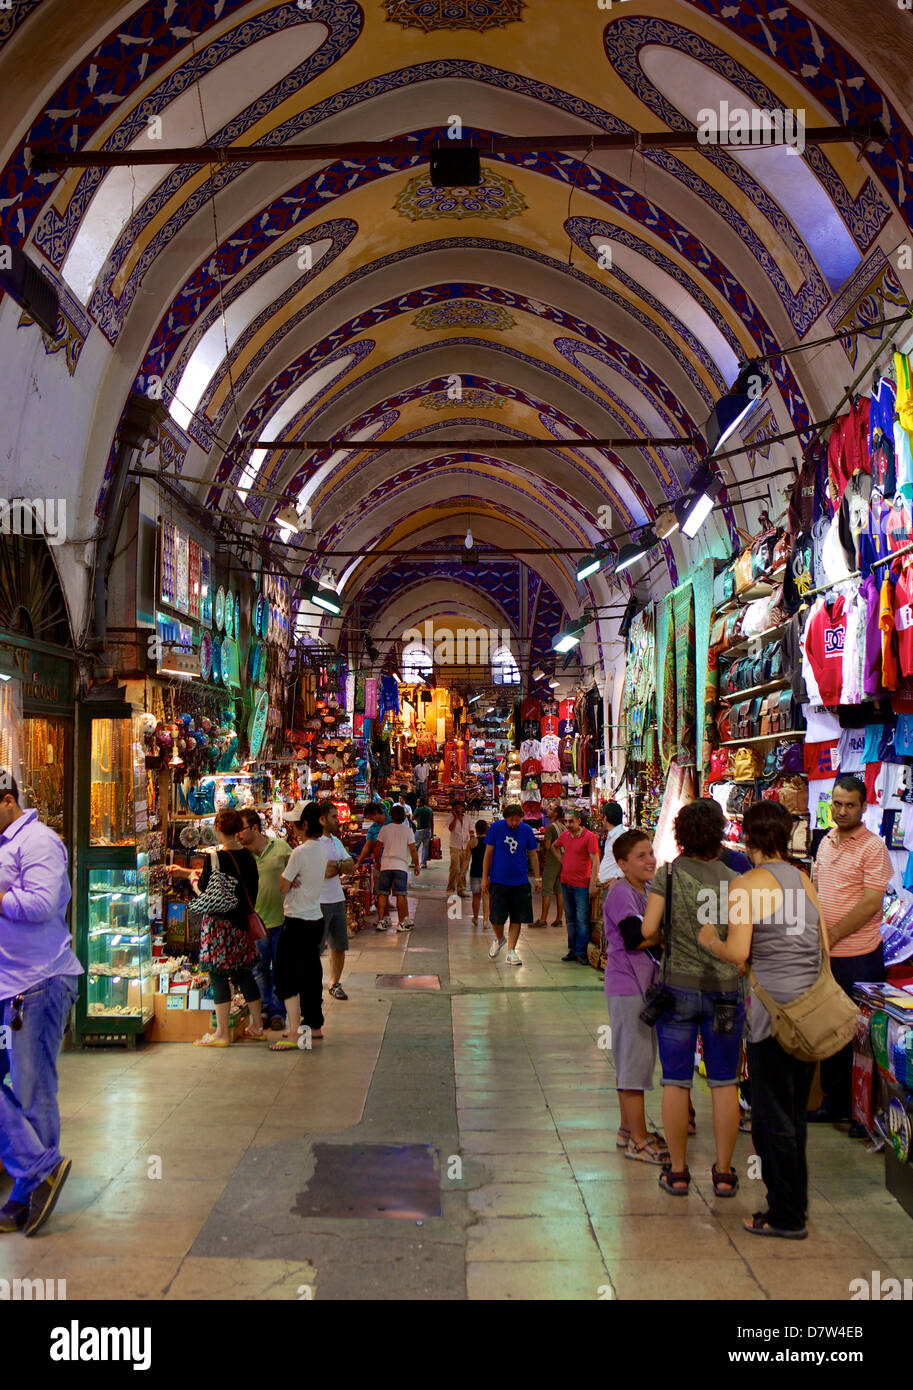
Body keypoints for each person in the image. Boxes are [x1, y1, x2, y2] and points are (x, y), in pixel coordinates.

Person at [699, 800, 825, 1239]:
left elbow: (737, 954)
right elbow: (823, 941)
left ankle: (785, 1215)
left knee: (772, 1120)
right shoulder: (804, 881)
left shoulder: (745, 886)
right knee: (795, 1113)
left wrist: (711, 940)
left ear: (748, 837)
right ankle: (796, 1205)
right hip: (809, 1011)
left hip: (772, 1014)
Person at [640, 798, 744, 1197]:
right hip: (723, 992)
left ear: (680, 835)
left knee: (676, 1080)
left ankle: (679, 1172)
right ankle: (723, 1173)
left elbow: (649, 929)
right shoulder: (735, 881)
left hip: (678, 991)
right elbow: (741, 942)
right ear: (719, 832)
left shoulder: (667, 875)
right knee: (723, 1082)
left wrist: (669, 934)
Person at [0, 773, 81, 1237]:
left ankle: (25, 1192)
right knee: (29, 1088)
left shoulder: (38, 842)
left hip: (40, 982)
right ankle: (39, 1167)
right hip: (11, 986)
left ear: (8, 800)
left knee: (34, 1090)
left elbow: (42, 904)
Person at [809, 774, 891, 1129]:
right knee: (831, 1031)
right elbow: (816, 890)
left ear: (863, 806)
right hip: (828, 955)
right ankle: (834, 1102)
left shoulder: (873, 847)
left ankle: (863, 1113)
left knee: (860, 1036)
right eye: (837, 803)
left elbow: (872, 903)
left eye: (850, 805)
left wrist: (834, 934)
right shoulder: (825, 841)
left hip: (860, 956)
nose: (841, 811)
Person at [603, 829, 668, 1164]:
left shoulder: (641, 891)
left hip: (637, 986)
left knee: (632, 1058)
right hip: (628, 987)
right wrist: (668, 934)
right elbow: (632, 938)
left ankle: (628, 1129)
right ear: (622, 863)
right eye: (641, 856)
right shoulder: (620, 894)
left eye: (651, 854)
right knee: (634, 1062)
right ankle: (638, 1140)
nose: (650, 861)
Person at [173, 808, 264, 1046]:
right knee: (245, 972)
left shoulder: (214, 858)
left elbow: (203, 891)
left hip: (218, 926)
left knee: (218, 975)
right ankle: (257, 1025)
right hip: (242, 923)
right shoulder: (249, 857)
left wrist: (192, 879)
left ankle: (222, 1033)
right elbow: (252, 891)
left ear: (217, 829)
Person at [272, 802, 331, 1051]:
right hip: (315, 918)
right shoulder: (321, 848)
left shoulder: (300, 852)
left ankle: (295, 1033)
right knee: (311, 975)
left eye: (296, 823)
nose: (293, 827)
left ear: (305, 825)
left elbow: (283, 886)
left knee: (285, 977)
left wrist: (290, 878)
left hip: (296, 920)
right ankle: (313, 1026)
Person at [238, 809, 292, 1030]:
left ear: (254, 828)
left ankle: (278, 1013)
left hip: (282, 919)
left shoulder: (280, 847)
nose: (238, 835)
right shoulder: (240, 856)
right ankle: (264, 1010)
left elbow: (297, 870)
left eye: (240, 829)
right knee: (258, 970)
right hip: (255, 924)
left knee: (280, 968)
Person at [481, 804, 540, 966]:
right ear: (505, 818)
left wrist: (538, 878)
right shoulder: (495, 828)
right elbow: (488, 854)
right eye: (511, 820)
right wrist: (484, 877)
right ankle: (500, 938)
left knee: (517, 917)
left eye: (517, 820)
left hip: (520, 881)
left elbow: (533, 855)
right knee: (496, 918)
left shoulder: (527, 830)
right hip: (498, 881)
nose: (514, 823)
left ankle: (511, 951)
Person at [554, 808, 601, 964]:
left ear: (578, 821)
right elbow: (554, 846)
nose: (567, 824)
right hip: (566, 882)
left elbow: (595, 861)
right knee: (570, 918)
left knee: (581, 919)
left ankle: (581, 951)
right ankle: (573, 950)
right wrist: (563, 861)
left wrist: (593, 883)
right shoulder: (566, 835)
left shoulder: (589, 837)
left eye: (570, 821)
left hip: (581, 884)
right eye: (565, 821)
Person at [319, 801, 355, 1001]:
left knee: (339, 945)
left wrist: (336, 866)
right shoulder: (314, 843)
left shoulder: (335, 841)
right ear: (322, 819)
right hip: (319, 902)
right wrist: (334, 867)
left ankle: (335, 983)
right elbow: (324, 871)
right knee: (316, 947)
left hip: (336, 899)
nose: (338, 820)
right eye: (333, 816)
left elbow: (349, 865)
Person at [375, 804, 420, 932]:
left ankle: (381, 921)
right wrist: (416, 864)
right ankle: (401, 922)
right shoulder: (407, 830)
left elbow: (378, 847)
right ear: (403, 817)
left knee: (383, 893)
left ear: (391, 816)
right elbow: (413, 849)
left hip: (386, 865)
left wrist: (376, 861)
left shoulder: (385, 829)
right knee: (400, 894)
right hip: (400, 866)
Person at [533, 805, 564, 928]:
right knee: (559, 891)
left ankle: (543, 919)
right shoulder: (562, 827)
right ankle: (558, 919)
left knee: (546, 891)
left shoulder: (551, 827)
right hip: (561, 861)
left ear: (555, 813)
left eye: (551, 809)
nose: (548, 810)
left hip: (551, 862)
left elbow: (547, 846)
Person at [447, 801, 473, 897]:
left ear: (463, 808)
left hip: (466, 847)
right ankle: (450, 889)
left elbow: (471, 830)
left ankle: (461, 889)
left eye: (460, 807)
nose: (458, 809)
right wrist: (455, 818)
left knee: (463, 869)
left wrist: (472, 841)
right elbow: (450, 828)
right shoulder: (451, 818)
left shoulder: (468, 818)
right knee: (455, 868)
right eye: (456, 808)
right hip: (454, 846)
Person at [353, 803, 389, 872]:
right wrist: (358, 863)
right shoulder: (373, 828)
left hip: (396, 863)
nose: (371, 819)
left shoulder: (393, 821)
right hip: (381, 864)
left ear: (375, 812)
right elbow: (367, 846)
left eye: (370, 817)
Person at [598, 801, 626, 885]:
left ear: (605, 818)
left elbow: (627, 861)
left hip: (614, 885)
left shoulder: (619, 836)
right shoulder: (614, 835)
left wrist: (617, 878)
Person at [468, 819, 488, 926]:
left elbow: (467, 859)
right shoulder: (489, 842)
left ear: (476, 830)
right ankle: (485, 920)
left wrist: (462, 872)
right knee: (486, 896)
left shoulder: (472, 842)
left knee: (476, 896)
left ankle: (475, 918)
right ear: (486, 829)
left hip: (475, 872)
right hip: (487, 873)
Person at [413, 795, 433, 868]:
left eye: (418, 802)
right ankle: (424, 863)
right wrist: (432, 832)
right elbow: (432, 822)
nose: (416, 804)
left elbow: (413, 818)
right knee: (425, 847)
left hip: (419, 830)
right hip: (427, 830)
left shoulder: (418, 810)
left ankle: (413, 862)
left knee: (416, 846)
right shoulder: (430, 810)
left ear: (421, 803)